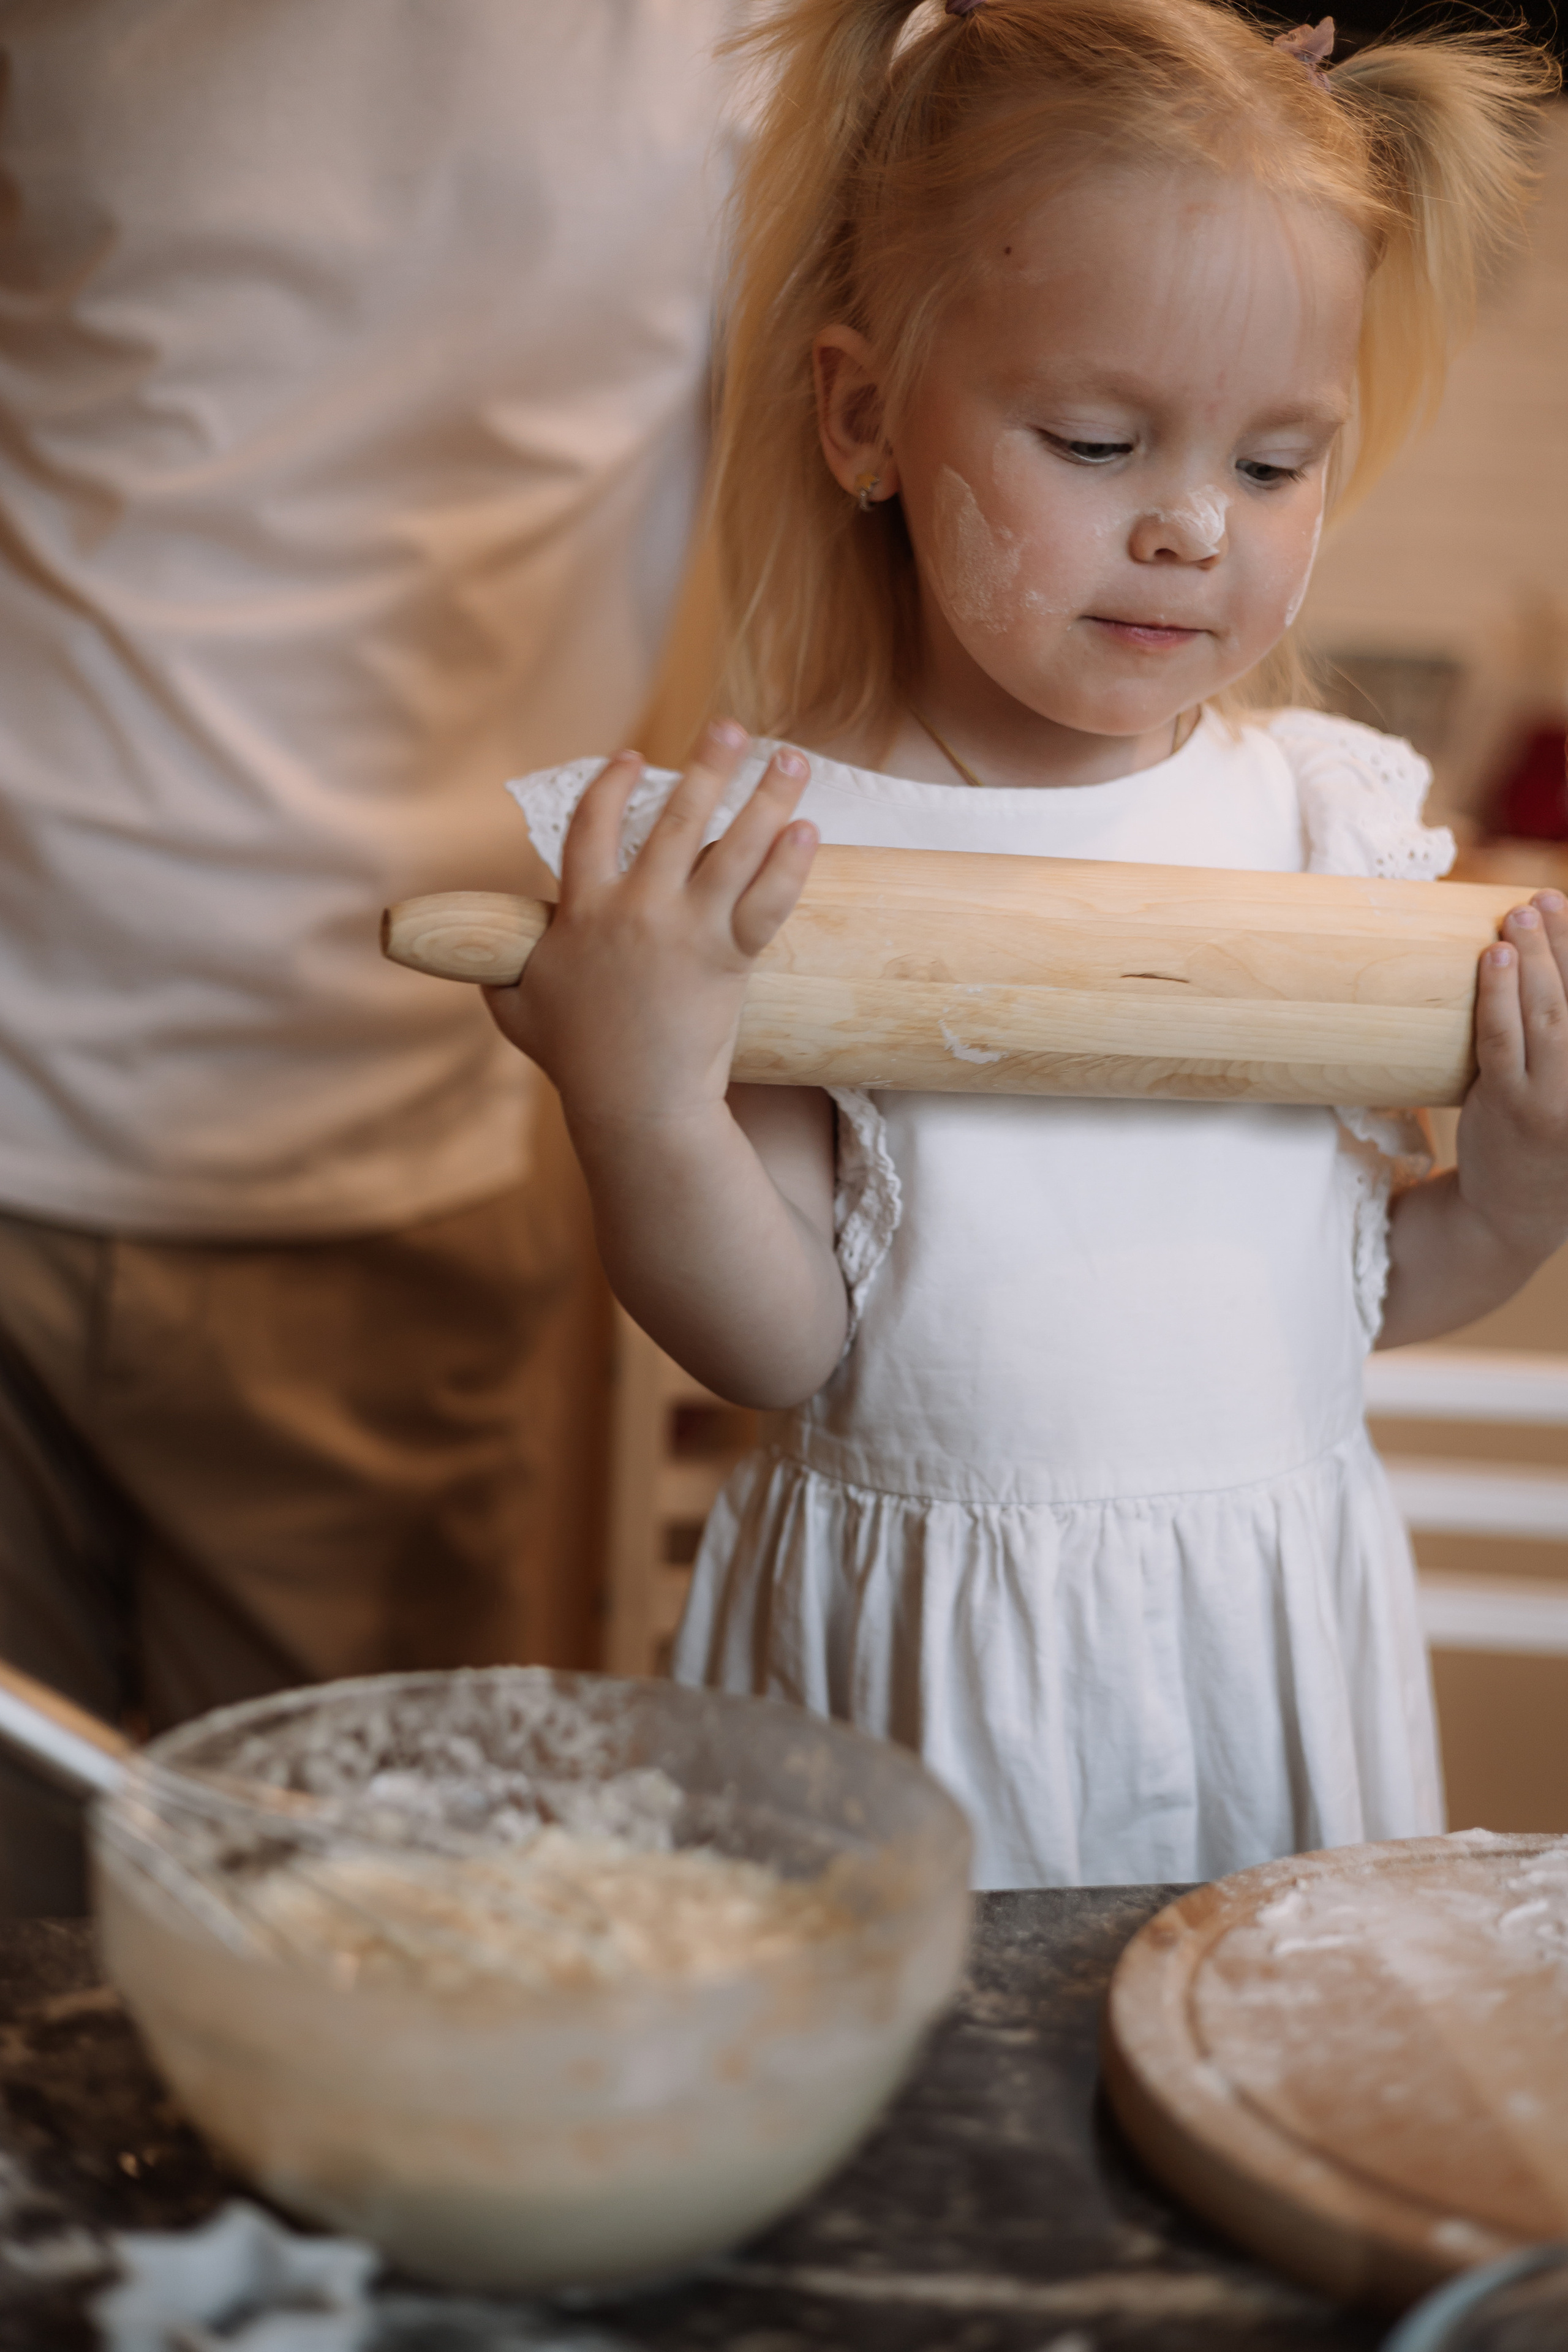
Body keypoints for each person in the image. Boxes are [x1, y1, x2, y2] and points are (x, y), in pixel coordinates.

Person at [488, 0, 1564, 1888]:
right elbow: (780, 1338)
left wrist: (1529, 1187)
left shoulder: (1323, 828)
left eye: (1272, 464)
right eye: (1096, 439)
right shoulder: (791, 853)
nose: (1186, 529)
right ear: (863, 416)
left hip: (1260, 1648)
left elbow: (1359, 1290)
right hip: (924, 1699)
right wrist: (643, 1094)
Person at [0, 0, 736, 1913]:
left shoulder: (761, 40)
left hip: (372, 1163)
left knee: (330, 1966)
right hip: (158, 1127)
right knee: (167, 1992)